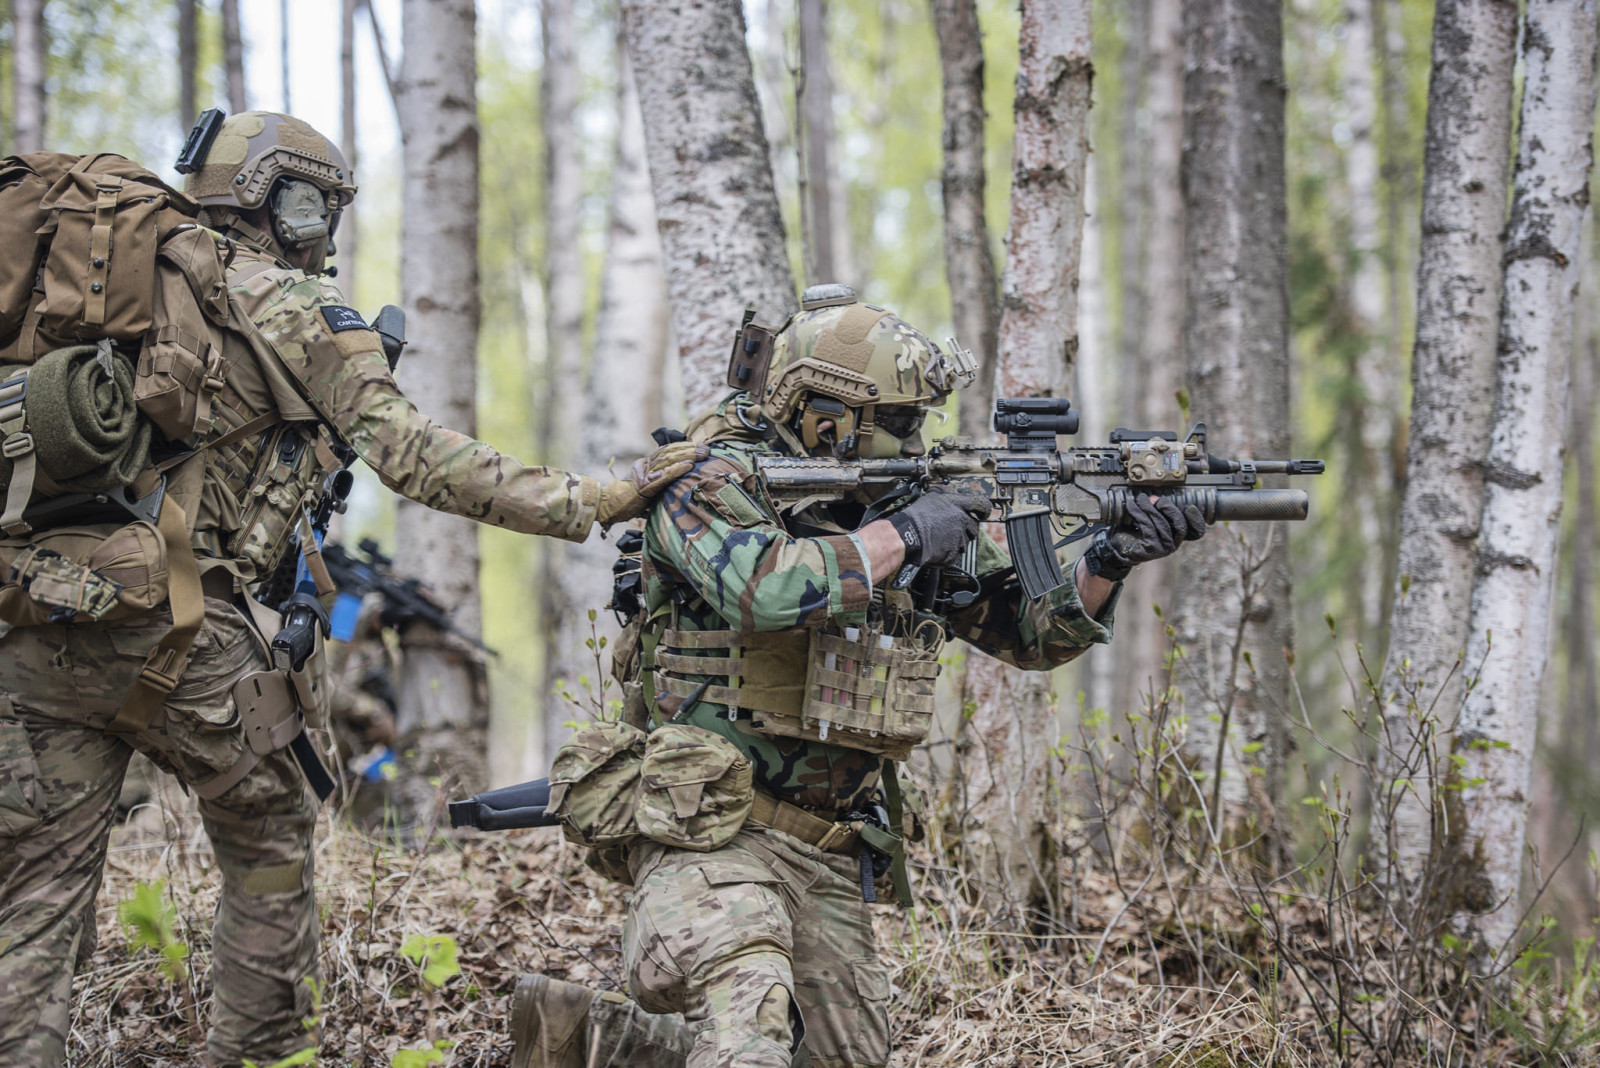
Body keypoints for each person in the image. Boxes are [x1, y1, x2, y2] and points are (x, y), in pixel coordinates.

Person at [0, 111, 701, 1067]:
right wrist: (595, 497)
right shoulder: (288, 303)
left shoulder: (92, 286)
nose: (324, 226)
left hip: (38, 616)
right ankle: (260, 1054)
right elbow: (419, 458)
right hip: (180, 627)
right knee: (273, 833)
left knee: (34, 899)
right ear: (281, 199)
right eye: (319, 203)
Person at [510, 285, 1209, 1067]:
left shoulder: (898, 502)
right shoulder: (704, 483)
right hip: (707, 835)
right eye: (901, 422)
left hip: (829, 852)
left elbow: (1031, 636)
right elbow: (765, 587)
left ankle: (583, 1038)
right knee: (751, 1031)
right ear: (824, 415)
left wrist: (1110, 560)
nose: (917, 441)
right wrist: (907, 535)